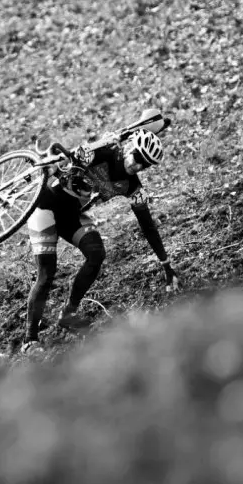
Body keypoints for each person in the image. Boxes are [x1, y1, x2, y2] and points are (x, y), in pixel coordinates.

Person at [23, 126, 179, 349]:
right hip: (46, 206)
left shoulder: (134, 188)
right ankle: (30, 340)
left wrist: (166, 264)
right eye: (137, 157)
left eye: (144, 164)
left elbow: (148, 226)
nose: (137, 165)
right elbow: (80, 154)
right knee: (47, 273)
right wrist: (88, 152)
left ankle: (68, 314)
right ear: (129, 148)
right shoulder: (107, 151)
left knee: (96, 253)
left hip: (72, 216)